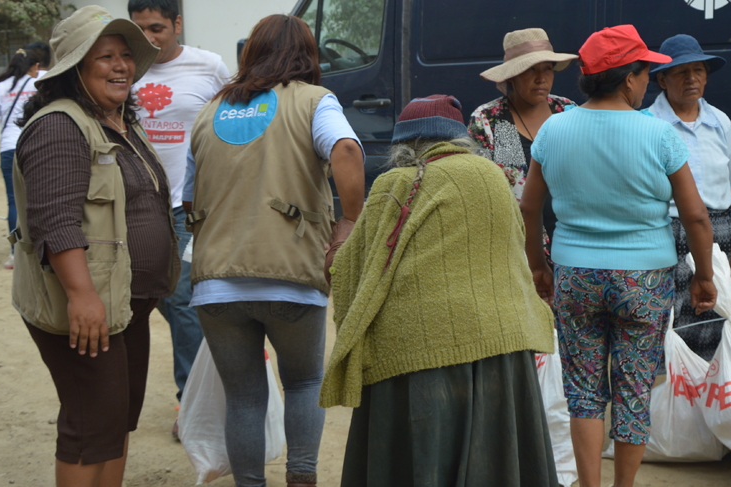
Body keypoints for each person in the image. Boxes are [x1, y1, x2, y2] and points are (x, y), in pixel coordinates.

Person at [321, 94, 559, 487]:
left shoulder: (395, 183)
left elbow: (351, 269)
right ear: (459, 139)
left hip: (416, 354)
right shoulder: (493, 173)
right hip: (503, 341)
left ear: (403, 147)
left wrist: (339, 245)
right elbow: (516, 240)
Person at [521, 25, 718, 487]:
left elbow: (529, 207)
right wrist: (703, 275)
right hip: (643, 278)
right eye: (646, 72)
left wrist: (538, 265)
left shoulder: (553, 129)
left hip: (575, 273)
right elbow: (696, 217)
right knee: (634, 391)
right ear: (629, 77)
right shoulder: (659, 135)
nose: (648, 81)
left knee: (584, 392)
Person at [187, 14, 364, 487]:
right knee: (303, 382)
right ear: (309, 55)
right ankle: (301, 478)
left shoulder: (210, 110)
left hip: (216, 280)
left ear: (250, 54)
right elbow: (346, 150)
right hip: (291, 274)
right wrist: (348, 221)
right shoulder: (314, 101)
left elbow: (188, 197)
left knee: (244, 397)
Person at [12, 6, 175, 486]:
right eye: (105, 56)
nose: (121, 65)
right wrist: (82, 296)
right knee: (90, 426)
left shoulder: (120, 122)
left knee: (117, 419)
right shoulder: (59, 126)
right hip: (89, 307)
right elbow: (55, 221)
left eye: (126, 55)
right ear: (75, 66)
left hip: (125, 304)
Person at [128, 0, 230, 437]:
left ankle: (192, 404)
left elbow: (232, 119)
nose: (148, 38)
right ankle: (222, 353)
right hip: (135, 201)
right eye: (139, 29)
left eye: (156, 28)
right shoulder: (124, 68)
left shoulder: (209, 66)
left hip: (187, 203)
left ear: (177, 24)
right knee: (154, 293)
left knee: (184, 296)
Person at [646, 34, 731, 358]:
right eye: (681, 72)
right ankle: (673, 382)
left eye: (698, 71)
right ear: (662, 79)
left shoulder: (720, 121)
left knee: (714, 309)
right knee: (671, 314)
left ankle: (708, 381)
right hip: (670, 229)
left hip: (720, 229)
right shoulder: (649, 124)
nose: (692, 79)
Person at [469, 27, 578, 253]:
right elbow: (482, 189)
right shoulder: (492, 119)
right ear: (512, 75)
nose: (541, 78)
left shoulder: (565, 111)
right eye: (530, 69)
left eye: (548, 69)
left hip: (570, 242)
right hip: (515, 246)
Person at [0, 46, 46, 269]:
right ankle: (46, 250)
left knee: (14, 200)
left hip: (10, 147)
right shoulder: (42, 82)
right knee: (45, 197)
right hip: (40, 144)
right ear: (35, 66)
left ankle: (15, 253)